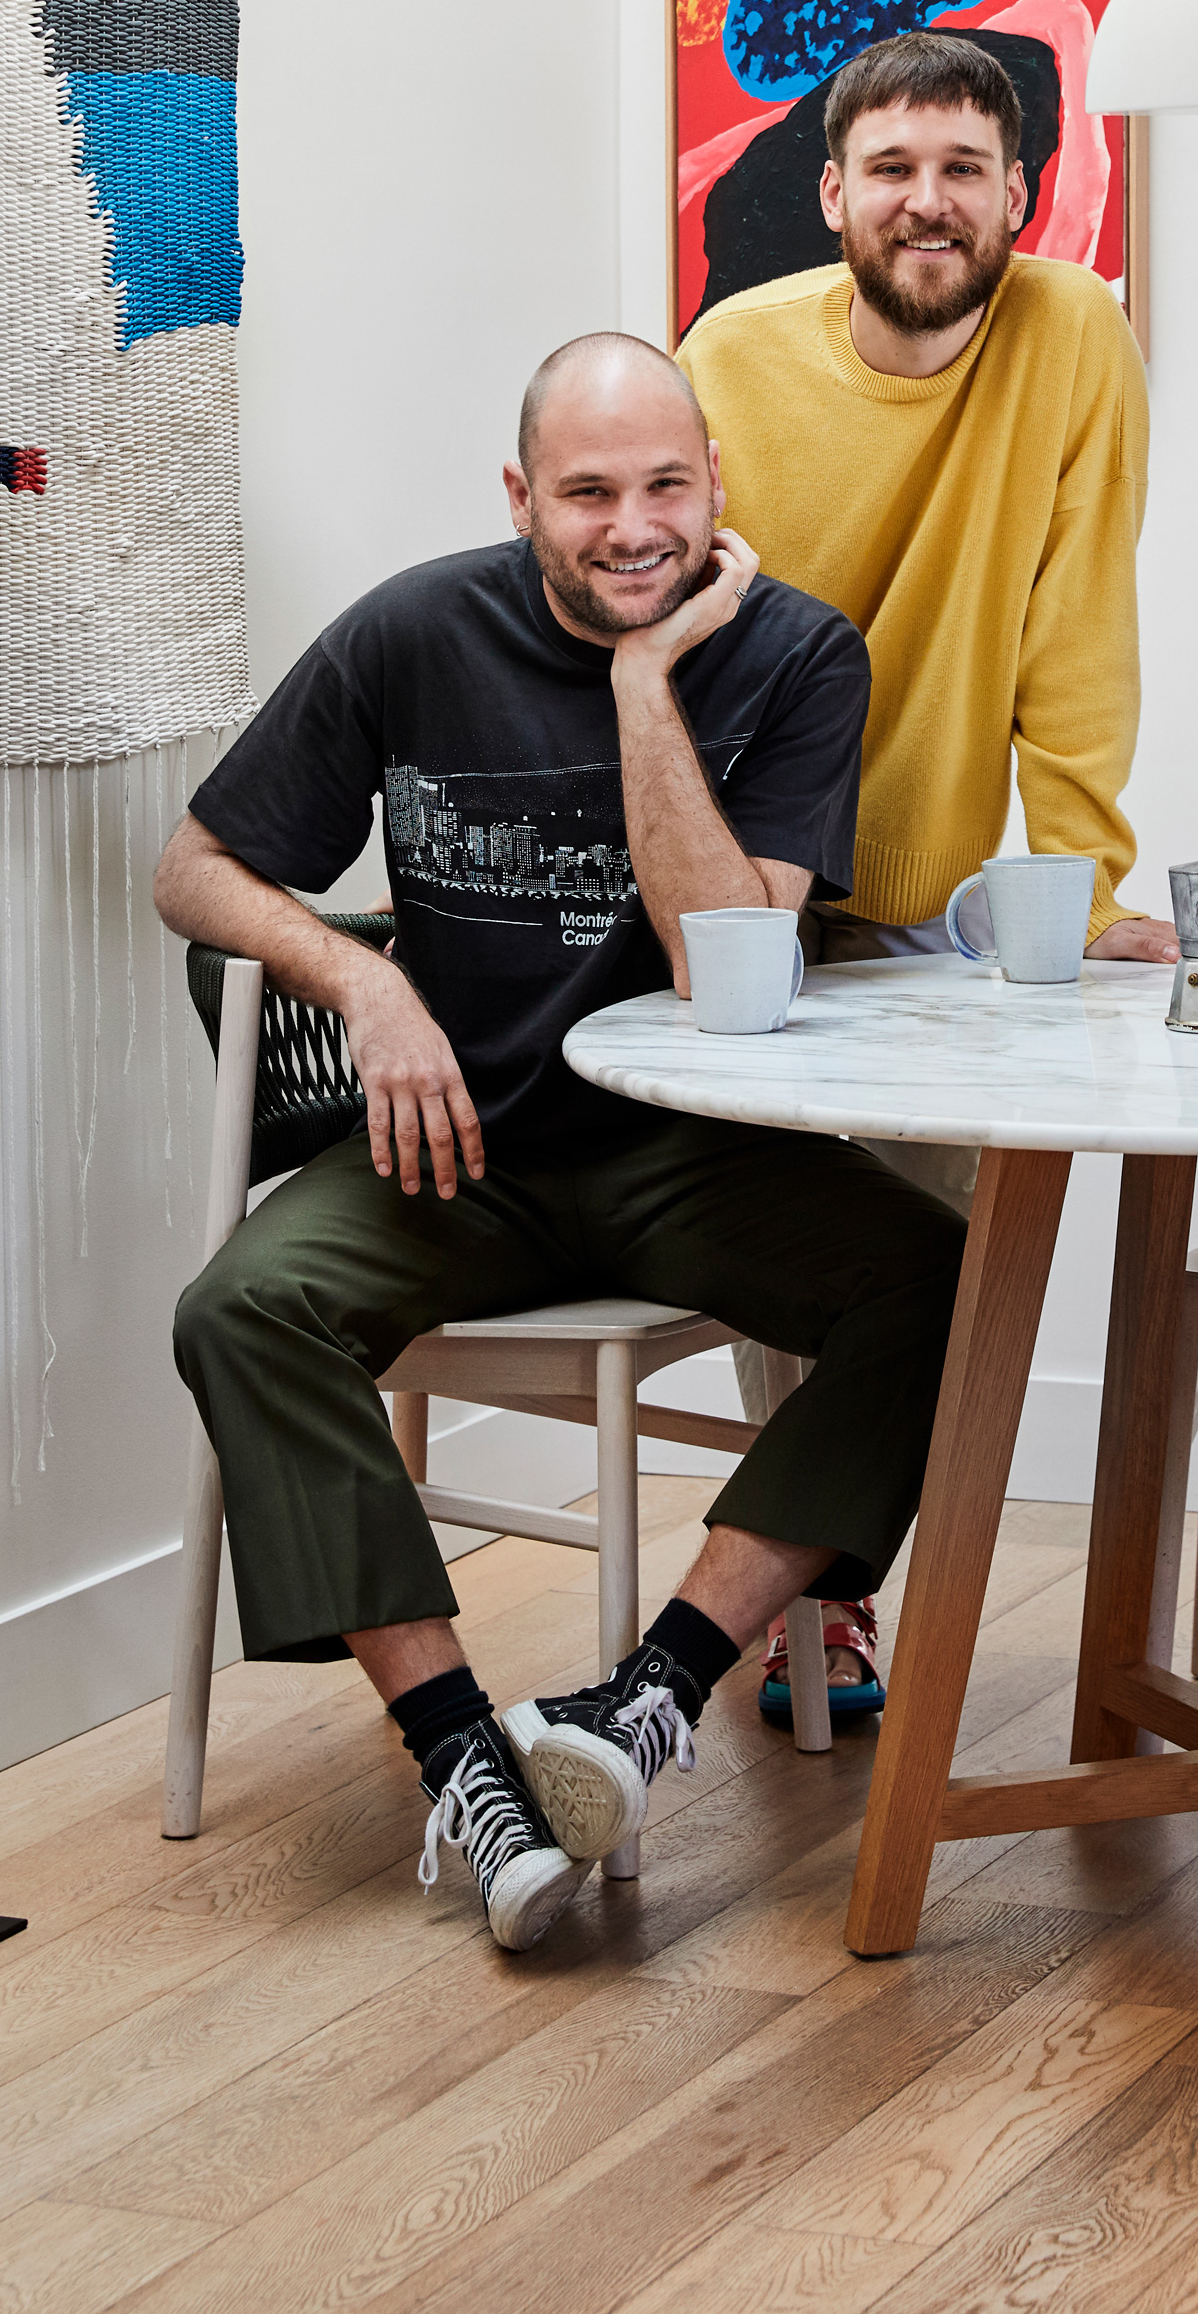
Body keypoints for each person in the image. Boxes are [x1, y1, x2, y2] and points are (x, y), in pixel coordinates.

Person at [155, 334, 965, 1953]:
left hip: (699, 1149)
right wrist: (356, 984)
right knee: (240, 1306)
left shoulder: (803, 658)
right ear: (522, 497)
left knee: (948, 1278)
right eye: (588, 493)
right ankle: (467, 1756)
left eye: (668, 484)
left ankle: (646, 1700)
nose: (633, 526)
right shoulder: (410, 631)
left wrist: (645, 681)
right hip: (470, 1154)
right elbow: (197, 869)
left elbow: (721, 953)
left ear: (717, 485)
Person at [677, 28, 1174, 1722]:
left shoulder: (1075, 338)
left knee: (932, 1263)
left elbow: (1078, 625)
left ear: (1021, 193)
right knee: (791, 1253)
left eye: (965, 166)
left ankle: (830, 1588)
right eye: (892, 167)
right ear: (830, 194)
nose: (929, 200)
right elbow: (673, 627)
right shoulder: (732, 356)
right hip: (741, 881)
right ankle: (806, 1602)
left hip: (930, 892)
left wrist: (1084, 890)